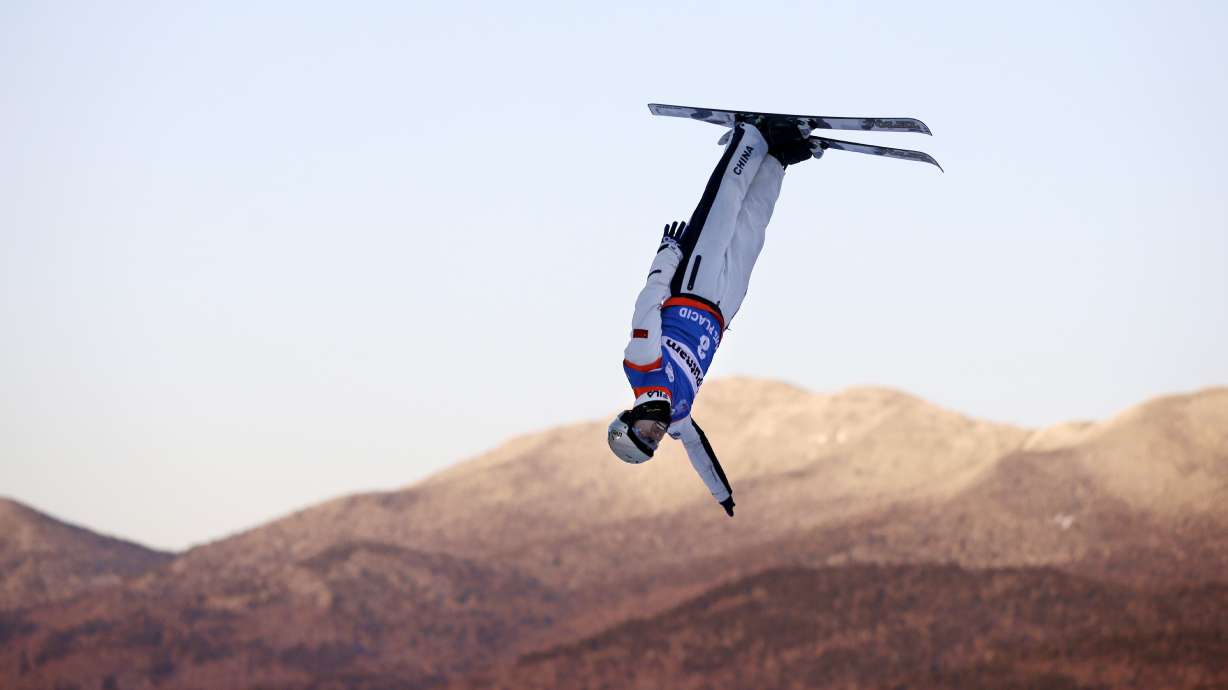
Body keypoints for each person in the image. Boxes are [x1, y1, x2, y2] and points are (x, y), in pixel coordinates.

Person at [606, 117, 816, 517]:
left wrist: (666, 254)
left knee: (723, 207)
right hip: (723, 308)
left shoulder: (640, 366)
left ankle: (750, 138)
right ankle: (778, 158)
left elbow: (647, 303)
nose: (657, 434)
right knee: (753, 226)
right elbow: (698, 451)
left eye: (645, 433)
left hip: (690, 286)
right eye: (654, 442)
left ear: (630, 419)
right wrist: (722, 494)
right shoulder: (680, 415)